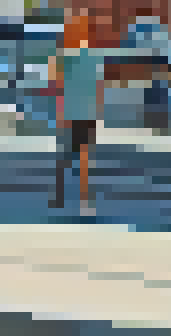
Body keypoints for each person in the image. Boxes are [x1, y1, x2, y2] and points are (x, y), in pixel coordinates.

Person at [49, 13, 109, 213]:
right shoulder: (91, 57)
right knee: (82, 155)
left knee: (67, 155)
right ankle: (82, 197)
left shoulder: (65, 57)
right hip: (85, 112)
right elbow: (98, 87)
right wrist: (98, 110)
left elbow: (57, 85)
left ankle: (63, 196)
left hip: (72, 112)